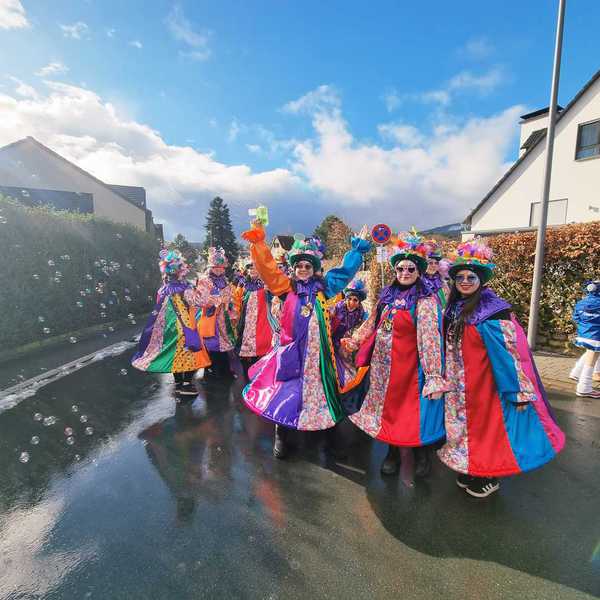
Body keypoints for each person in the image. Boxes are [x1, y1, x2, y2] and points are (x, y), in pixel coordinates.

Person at [438, 239, 565, 498]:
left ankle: (489, 475)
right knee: (464, 428)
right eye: (460, 277)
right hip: (459, 385)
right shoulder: (454, 306)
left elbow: (510, 354)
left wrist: (517, 391)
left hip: (486, 385)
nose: (464, 281)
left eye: (470, 277)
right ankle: (473, 467)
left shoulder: (493, 311)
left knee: (489, 430)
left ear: (481, 279)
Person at [241, 222, 372, 459]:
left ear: (314, 269)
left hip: (317, 354)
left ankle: (324, 431)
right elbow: (268, 269)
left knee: (320, 391)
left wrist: (357, 251)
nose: (303, 269)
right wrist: (259, 244)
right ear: (293, 268)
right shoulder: (285, 288)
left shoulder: (325, 288)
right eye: (299, 265)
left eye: (307, 266)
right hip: (291, 352)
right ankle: (282, 434)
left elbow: (344, 272)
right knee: (284, 391)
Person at [343, 230, 447, 483]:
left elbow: (430, 338)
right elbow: (372, 323)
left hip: (411, 369)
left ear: (419, 271)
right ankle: (392, 454)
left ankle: (421, 455)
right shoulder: (387, 296)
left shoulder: (425, 301)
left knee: (413, 413)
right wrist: (355, 340)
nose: (405, 273)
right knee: (388, 411)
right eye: (401, 268)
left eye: (411, 269)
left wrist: (433, 374)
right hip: (383, 368)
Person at [132, 249, 211, 396]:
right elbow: (200, 302)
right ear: (180, 272)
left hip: (167, 329)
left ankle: (179, 383)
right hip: (184, 326)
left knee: (174, 354)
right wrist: (204, 287)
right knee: (190, 353)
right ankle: (186, 385)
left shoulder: (163, 289)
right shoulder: (185, 288)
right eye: (183, 269)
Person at [195, 247, 238, 379]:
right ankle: (212, 370)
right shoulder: (204, 281)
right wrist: (218, 300)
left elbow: (230, 298)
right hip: (210, 317)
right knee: (212, 343)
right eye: (215, 267)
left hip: (224, 318)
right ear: (210, 267)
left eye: (221, 267)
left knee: (225, 343)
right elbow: (200, 300)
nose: (218, 270)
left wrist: (231, 310)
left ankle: (225, 370)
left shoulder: (225, 281)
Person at [234, 262, 276, 380]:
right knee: (245, 352)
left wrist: (270, 292)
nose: (252, 270)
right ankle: (249, 379)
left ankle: (260, 380)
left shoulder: (266, 285)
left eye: (255, 268)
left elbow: (276, 300)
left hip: (263, 323)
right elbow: (238, 302)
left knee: (262, 350)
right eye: (250, 268)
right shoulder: (245, 286)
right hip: (247, 325)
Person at [569, 280, 600, 398]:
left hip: (584, 335)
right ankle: (584, 387)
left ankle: (576, 373)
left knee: (590, 353)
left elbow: (576, 318)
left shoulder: (581, 303)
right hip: (597, 337)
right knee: (591, 359)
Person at [424, 239, 450, 307]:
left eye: (436, 263)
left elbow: (448, 300)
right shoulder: (419, 281)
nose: (434, 265)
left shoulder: (441, 281)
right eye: (430, 263)